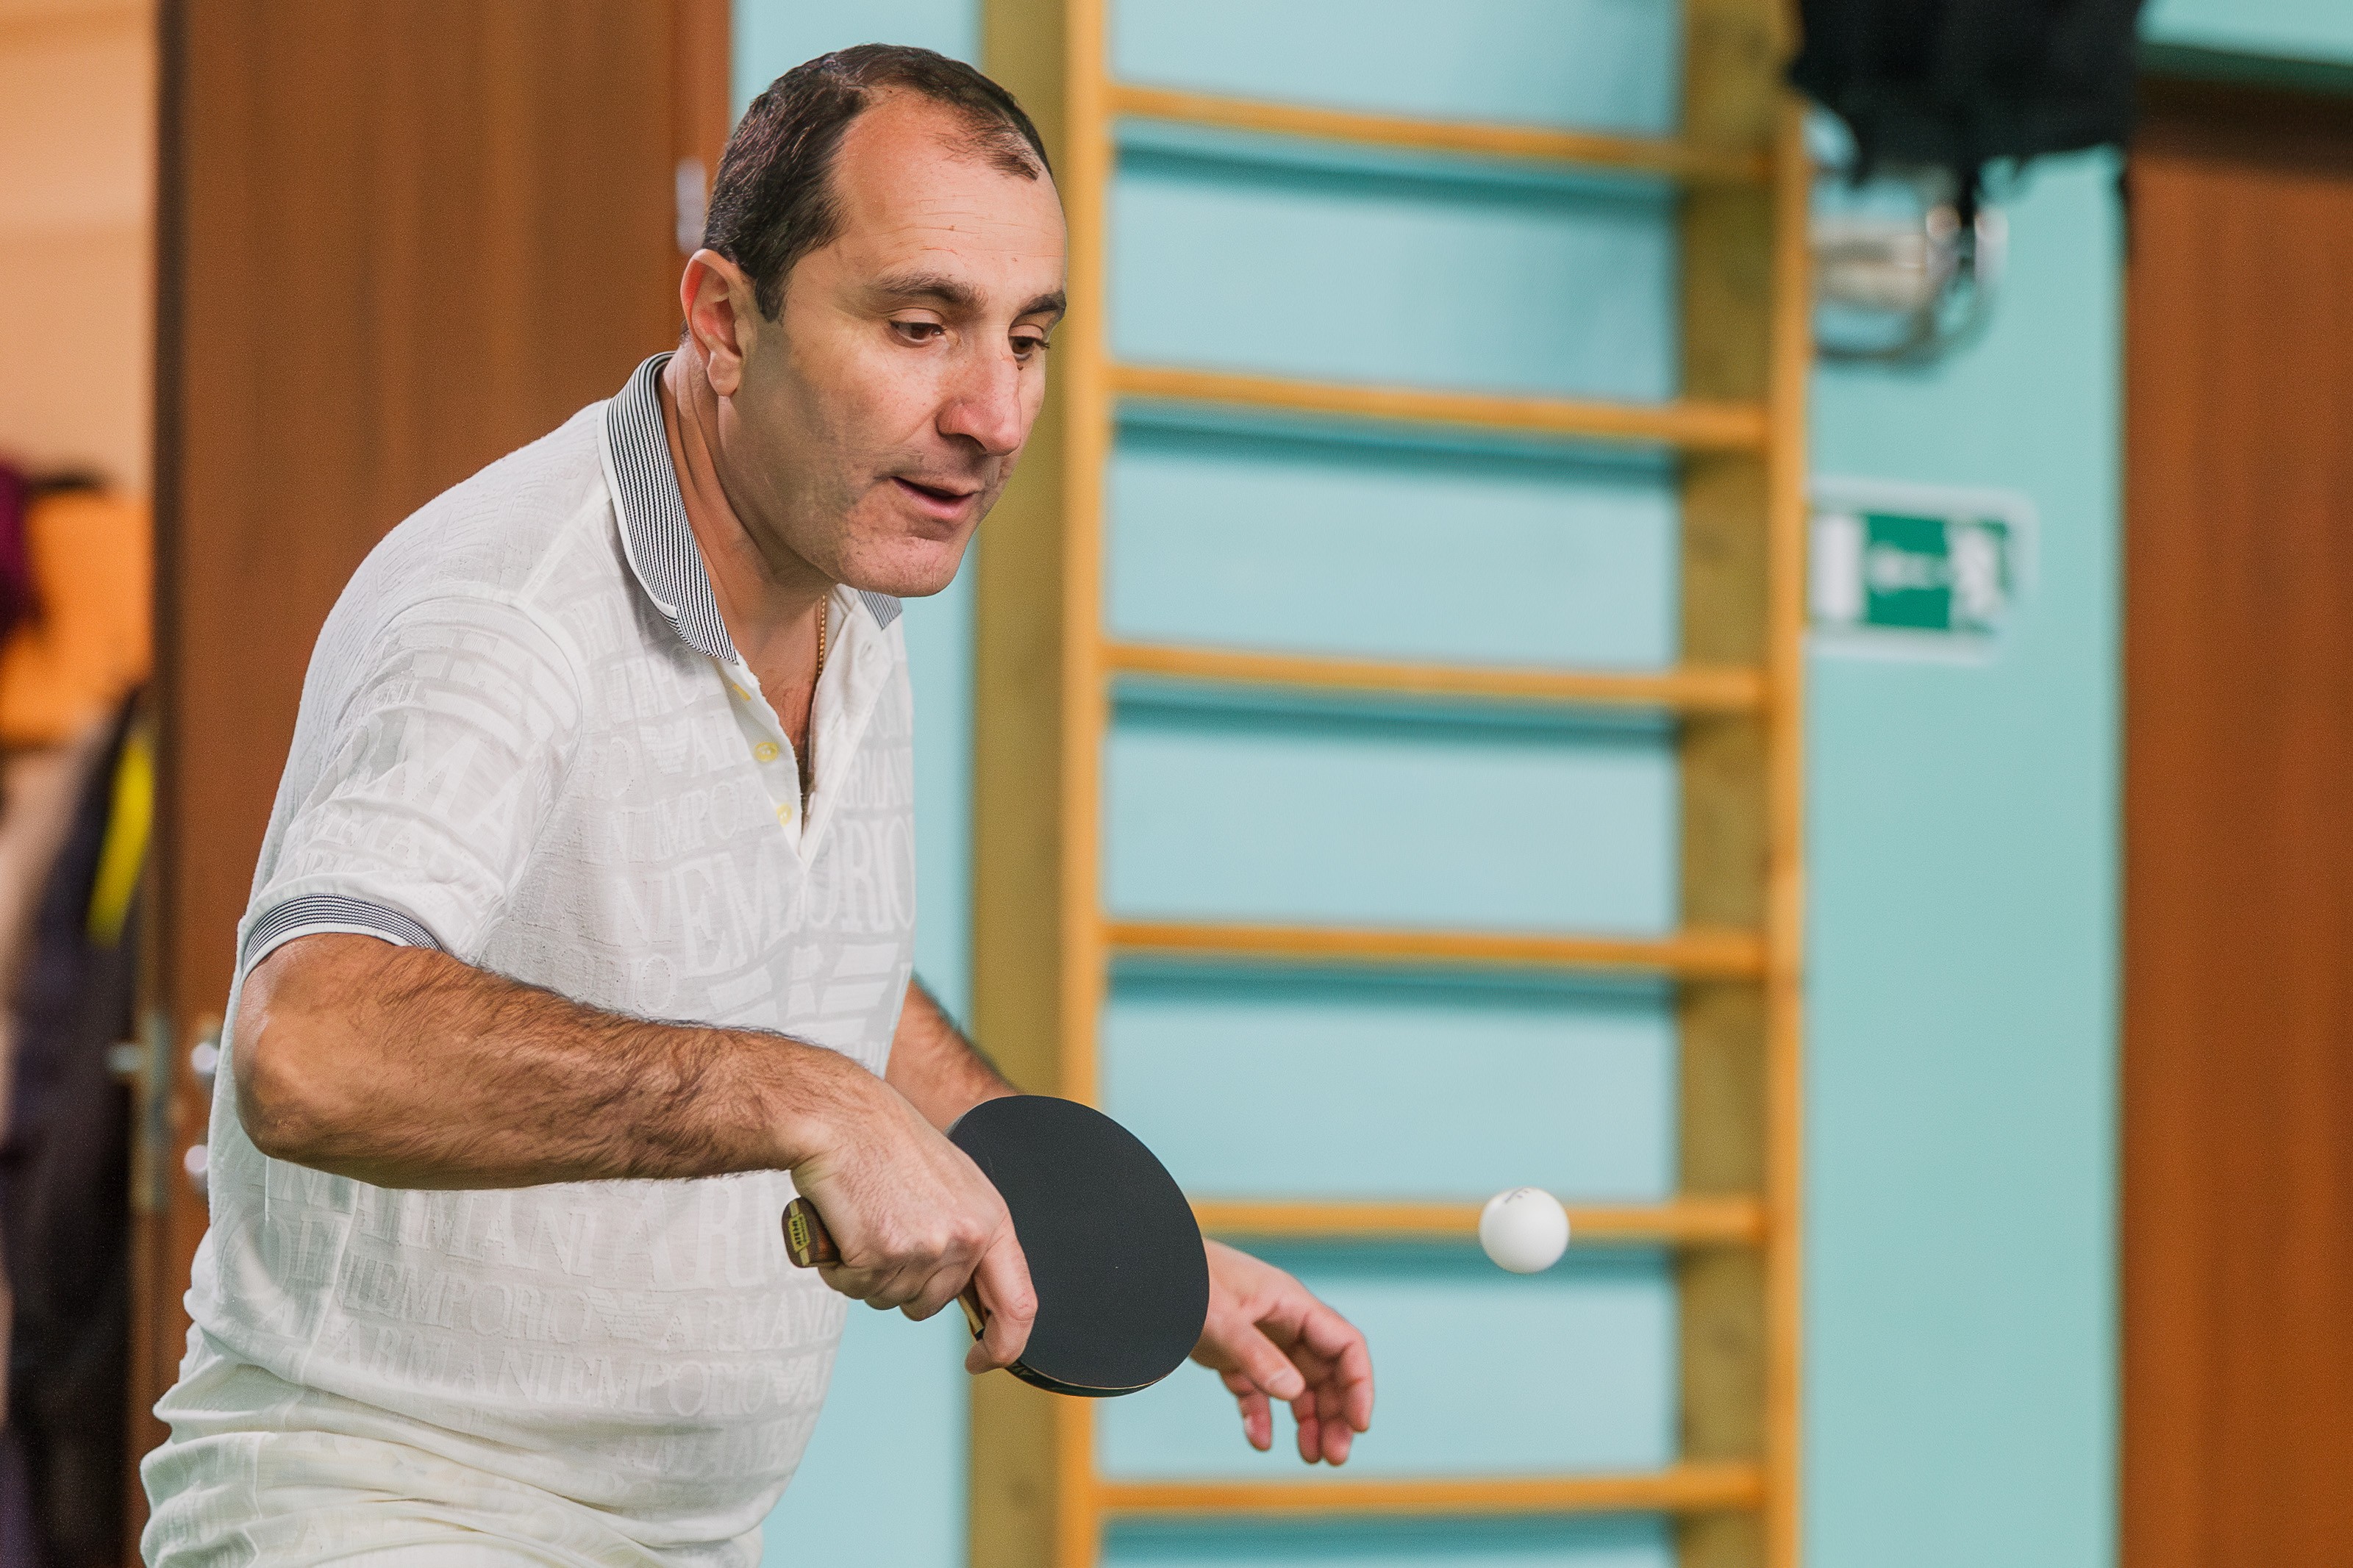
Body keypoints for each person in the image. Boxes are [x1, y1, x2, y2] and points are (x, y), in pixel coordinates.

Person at [139, 45, 1373, 1567]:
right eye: (920, 326)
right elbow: (308, 1044)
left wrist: (1089, 1232)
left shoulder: (850, 585)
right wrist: (802, 1097)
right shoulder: (505, 611)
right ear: (726, 320)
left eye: (1027, 338)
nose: (994, 413)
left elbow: (794, 953)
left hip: (688, 1534)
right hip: (386, 1512)